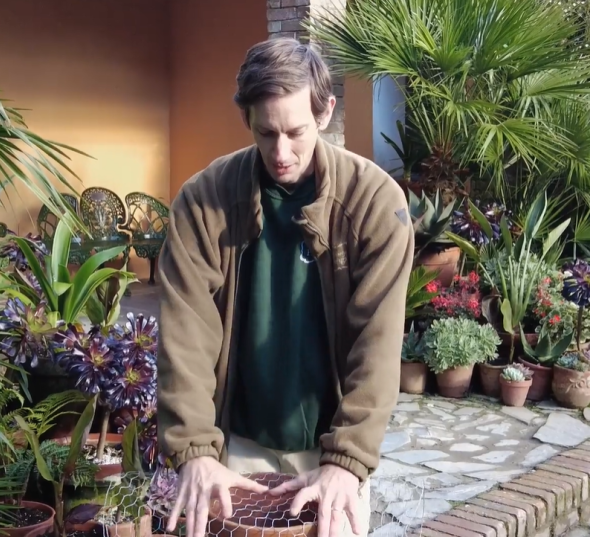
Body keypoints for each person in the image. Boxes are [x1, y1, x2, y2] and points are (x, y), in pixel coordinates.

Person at [157, 37, 413, 537]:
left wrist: (348, 459)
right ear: (245, 120)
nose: (281, 152)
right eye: (265, 132)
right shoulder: (203, 201)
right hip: (237, 440)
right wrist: (193, 450)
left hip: (329, 443)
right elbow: (185, 332)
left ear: (325, 113)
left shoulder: (376, 204)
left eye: (295, 132)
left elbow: (377, 344)